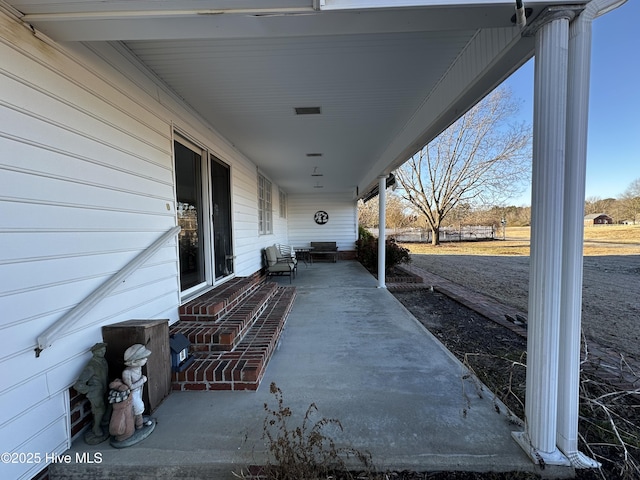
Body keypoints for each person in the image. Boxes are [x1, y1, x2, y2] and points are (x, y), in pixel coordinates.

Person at [73, 342, 109, 443]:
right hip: (95, 392)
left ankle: (102, 422)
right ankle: (95, 428)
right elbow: (78, 385)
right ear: (94, 353)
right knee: (99, 409)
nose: (103, 352)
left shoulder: (103, 361)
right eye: (100, 351)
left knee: (104, 406)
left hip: (103, 388)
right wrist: (90, 390)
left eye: (104, 350)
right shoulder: (91, 366)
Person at [121, 344, 152, 430]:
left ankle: (139, 420)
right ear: (133, 362)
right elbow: (130, 387)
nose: (145, 359)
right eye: (142, 358)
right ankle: (139, 425)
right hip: (132, 393)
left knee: (139, 407)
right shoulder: (127, 373)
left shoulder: (138, 368)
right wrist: (142, 380)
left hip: (139, 390)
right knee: (138, 407)